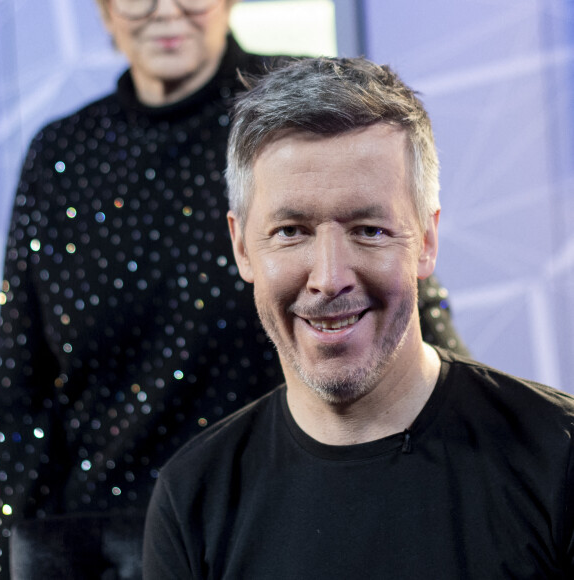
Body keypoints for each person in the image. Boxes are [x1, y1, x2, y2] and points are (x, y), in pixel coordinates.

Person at [0, 1, 467, 578]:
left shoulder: (301, 118)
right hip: (105, 546)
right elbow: (21, 384)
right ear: (105, 11)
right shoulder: (59, 154)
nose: (165, 11)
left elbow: (398, 302)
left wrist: (472, 465)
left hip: (280, 524)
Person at [143, 56, 574, 579]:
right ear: (242, 247)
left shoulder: (559, 457)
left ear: (427, 241)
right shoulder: (192, 497)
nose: (329, 278)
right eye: (291, 231)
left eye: (369, 230)